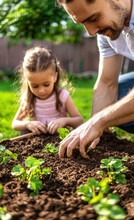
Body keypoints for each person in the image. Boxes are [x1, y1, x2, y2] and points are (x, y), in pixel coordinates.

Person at [57, 0, 134, 159]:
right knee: (120, 94)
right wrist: (95, 134)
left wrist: (98, 122)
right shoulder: (108, 29)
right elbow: (106, 83)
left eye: (93, 18)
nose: (91, 32)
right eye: (83, 23)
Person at [12, 46, 83, 135]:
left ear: (55, 77)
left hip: (59, 138)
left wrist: (64, 121)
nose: (41, 91)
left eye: (46, 84)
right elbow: (15, 123)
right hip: (37, 139)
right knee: (24, 131)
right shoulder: (29, 98)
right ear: (27, 81)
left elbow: (79, 120)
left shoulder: (63, 96)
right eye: (34, 86)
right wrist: (28, 124)